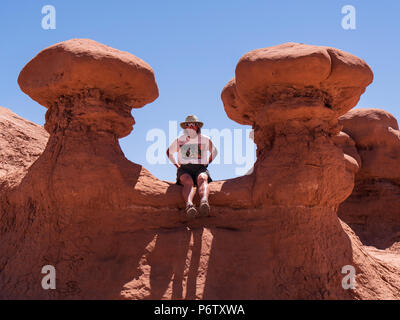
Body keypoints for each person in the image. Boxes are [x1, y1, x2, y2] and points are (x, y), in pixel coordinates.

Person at [166, 115, 218, 219]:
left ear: (197, 127)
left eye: (193, 124)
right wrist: (177, 165)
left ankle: (204, 202)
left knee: (202, 178)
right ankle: (189, 205)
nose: (191, 127)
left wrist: (207, 162)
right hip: (184, 169)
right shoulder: (180, 140)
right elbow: (169, 152)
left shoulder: (205, 139)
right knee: (188, 181)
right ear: (185, 127)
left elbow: (215, 151)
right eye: (188, 125)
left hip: (200, 168)